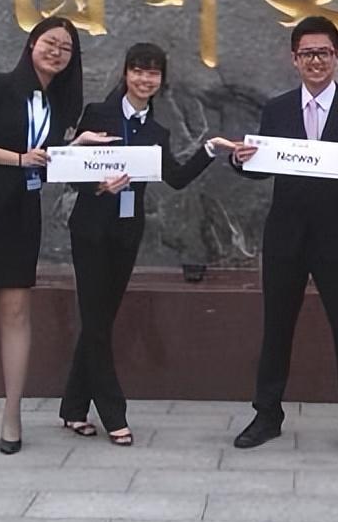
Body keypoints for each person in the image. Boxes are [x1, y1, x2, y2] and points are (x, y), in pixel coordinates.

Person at [0, 16, 111, 454]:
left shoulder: (60, 104)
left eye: (66, 48)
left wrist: (79, 152)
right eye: (49, 43)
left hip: (21, 215)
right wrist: (19, 159)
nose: (56, 52)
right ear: (32, 44)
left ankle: (12, 413)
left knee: (17, 312)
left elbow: (48, 161)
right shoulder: (0, 85)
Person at [227, 16, 338, 457]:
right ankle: (267, 415)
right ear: (294, 59)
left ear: (336, 57)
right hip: (286, 235)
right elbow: (260, 166)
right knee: (277, 326)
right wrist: (241, 159)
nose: (316, 61)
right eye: (307, 54)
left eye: (324, 53)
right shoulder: (277, 109)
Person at [60, 42, 230, 446]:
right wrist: (98, 185)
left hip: (126, 232)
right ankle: (114, 413)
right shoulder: (98, 115)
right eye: (138, 70)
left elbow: (176, 178)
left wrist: (211, 149)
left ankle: (73, 409)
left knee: (100, 321)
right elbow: (70, 170)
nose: (144, 79)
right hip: (90, 230)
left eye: (152, 73)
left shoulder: (156, 131)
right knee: (96, 322)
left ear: (161, 80)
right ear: (125, 73)